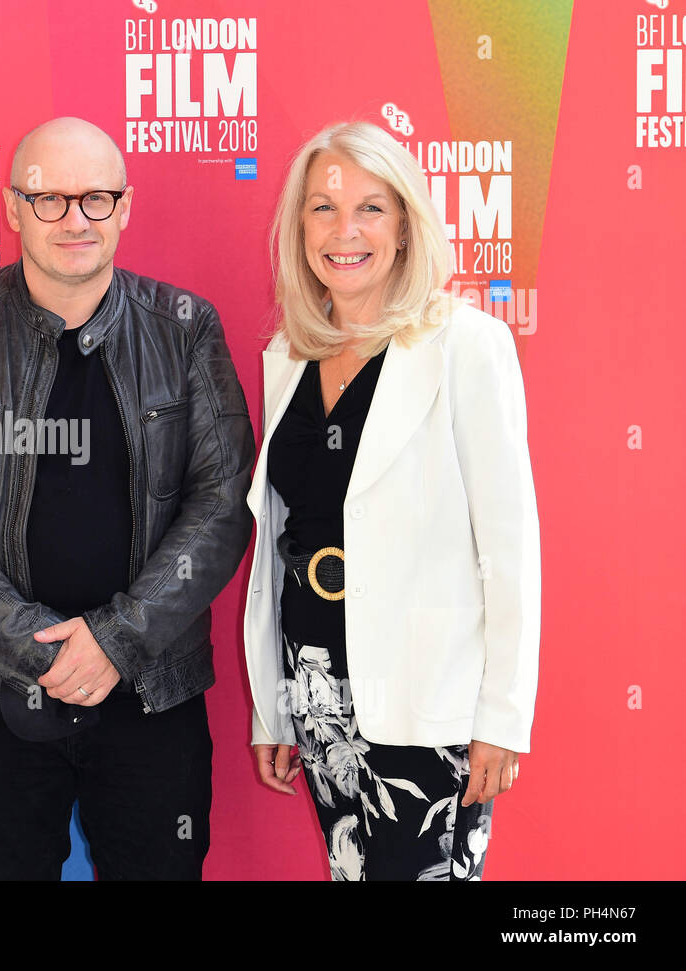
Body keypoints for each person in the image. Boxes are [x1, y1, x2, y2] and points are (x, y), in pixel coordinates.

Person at [0, 117, 256, 880]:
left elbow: (221, 503)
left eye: (95, 198)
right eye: (48, 198)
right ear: (13, 207)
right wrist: (35, 646)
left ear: (125, 208)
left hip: (151, 688)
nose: (74, 219)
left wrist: (117, 639)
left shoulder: (186, 331)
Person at [242, 120, 540, 880]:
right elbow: (283, 541)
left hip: (428, 704)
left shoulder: (465, 345)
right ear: (299, 225)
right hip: (318, 696)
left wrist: (503, 718)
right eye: (323, 208)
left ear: (405, 224)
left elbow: (508, 547)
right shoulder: (287, 357)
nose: (345, 231)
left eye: (371, 208)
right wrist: (277, 705)